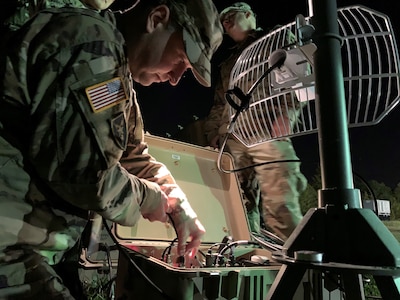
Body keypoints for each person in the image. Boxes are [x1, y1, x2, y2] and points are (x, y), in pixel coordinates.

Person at [0, 0, 223, 298]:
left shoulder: (116, 70)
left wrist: (177, 204)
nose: (174, 79)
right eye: (180, 59)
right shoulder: (92, 43)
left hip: (30, 241)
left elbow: (133, 153)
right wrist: (149, 198)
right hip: (9, 241)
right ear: (156, 19)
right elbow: (86, 176)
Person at [204, 2, 307, 241]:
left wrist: (286, 116)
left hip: (267, 130)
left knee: (280, 203)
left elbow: (299, 79)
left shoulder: (277, 38)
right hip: (234, 136)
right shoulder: (228, 62)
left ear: (249, 14)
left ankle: (301, 266)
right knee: (236, 206)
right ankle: (246, 254)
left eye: (231, 17)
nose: (226, 24)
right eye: (223, 22)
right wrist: (214, 133)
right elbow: (220, 101)